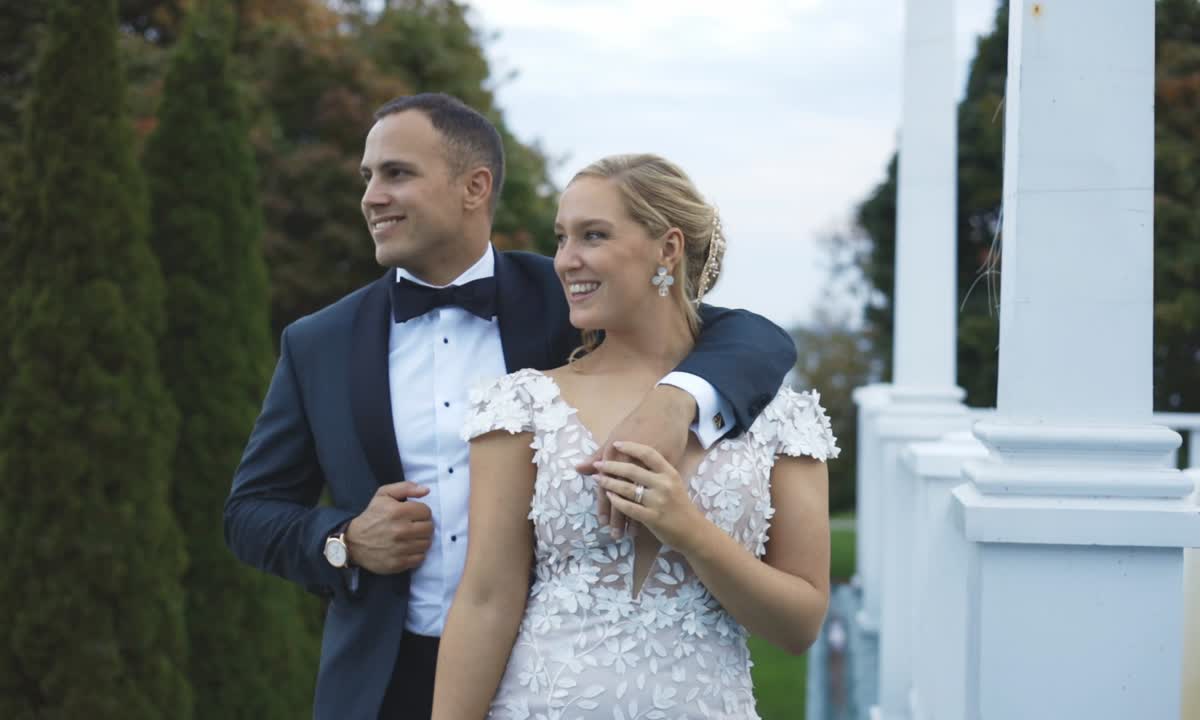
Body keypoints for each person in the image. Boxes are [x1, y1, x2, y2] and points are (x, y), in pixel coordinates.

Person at [223, 95, 797, 720]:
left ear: (475, 187)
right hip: (379, 680)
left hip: (544, 671)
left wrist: (677, 399)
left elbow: (753, 338)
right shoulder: (319, 343)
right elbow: (250, 511)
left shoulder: (572, 295)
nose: (371, 197)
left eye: (397, 173)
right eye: (368, 177)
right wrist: (343, 540)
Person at [435, 154, 837, 719]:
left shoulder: (782, 418)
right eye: (562, 238)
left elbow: (799, 626)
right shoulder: (522, 405)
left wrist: (689, 531)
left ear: (667, 249)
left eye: (593, 235)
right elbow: (485, 600)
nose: (565, 260)